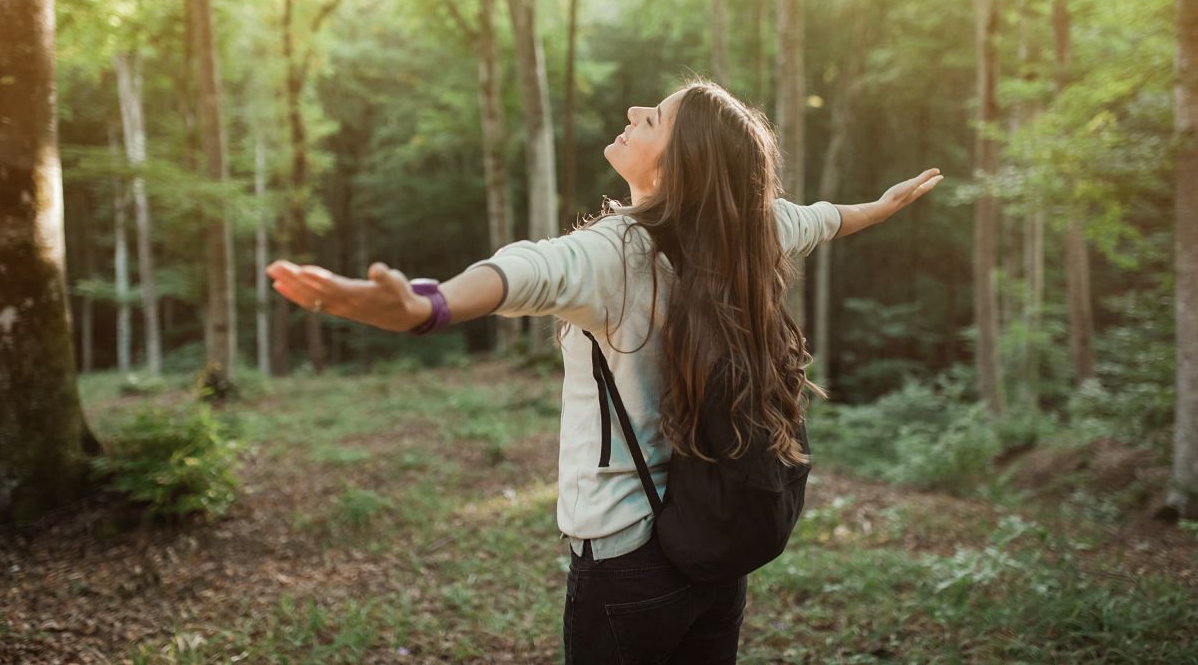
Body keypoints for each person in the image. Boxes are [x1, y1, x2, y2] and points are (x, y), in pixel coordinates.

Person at [267, 78, 943, 664]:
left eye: (652, 119)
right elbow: (825, 220)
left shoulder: (616, 254)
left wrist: (428, 307)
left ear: (681, 164)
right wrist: (880, 209)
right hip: (716, 537)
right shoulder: (748, 228)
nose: (634, 111)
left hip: (626, 556)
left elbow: (526, 272)